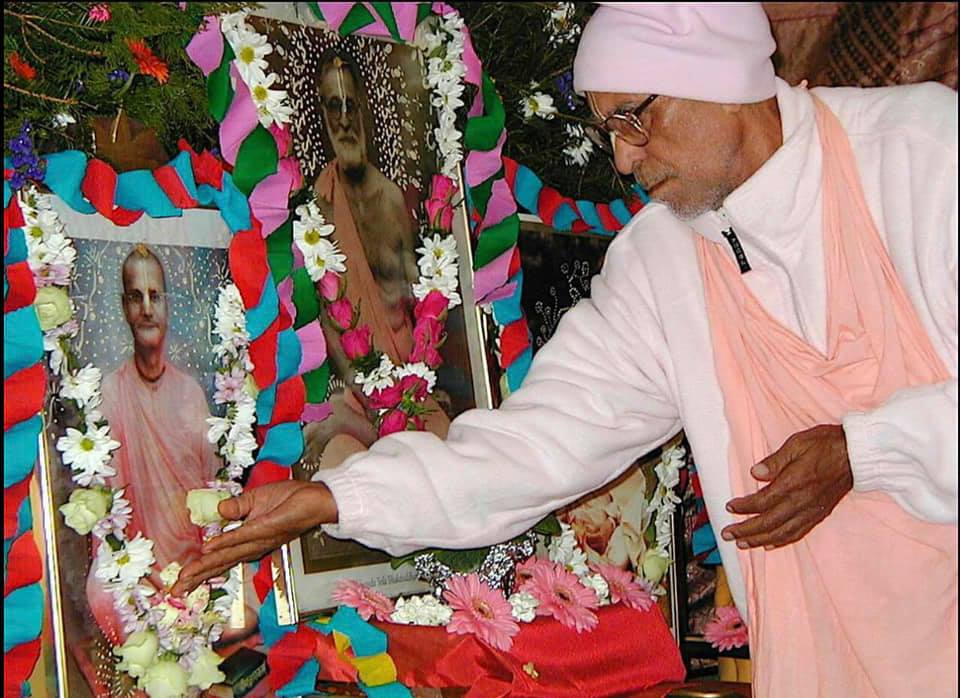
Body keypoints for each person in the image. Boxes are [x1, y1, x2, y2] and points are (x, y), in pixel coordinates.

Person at [174, 4, 958, 695]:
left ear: (718, 77)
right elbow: (536, 447)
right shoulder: (662, 262)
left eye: (635, 117)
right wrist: (340, 498)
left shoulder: (921, 153)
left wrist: (868, 450)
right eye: (608, 126)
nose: (622, 158)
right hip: (824, 660)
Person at [86, 244, 251, 644]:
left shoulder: (191, 392)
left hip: (196, 564)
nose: (146, 308)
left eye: (154, 296)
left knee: (247, 606)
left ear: (167, 306)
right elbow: (107, 509)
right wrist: (138, 572)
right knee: (102, 593)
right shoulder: (110, 392)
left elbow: (216, 494)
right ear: (124, 307)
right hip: (139, 569)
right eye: (135, 296)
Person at [302, 49, 449, 470]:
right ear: (321, 115)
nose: (344, 119)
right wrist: (371, 398)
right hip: (352, 391)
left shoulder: (391, 199)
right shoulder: (317, 206)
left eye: (351, 105)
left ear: (365, 110)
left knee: (448, 453)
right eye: (333, 106)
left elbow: (419, 298)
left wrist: (415, 383)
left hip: (412, 384)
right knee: (338, 462)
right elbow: (327, 321)